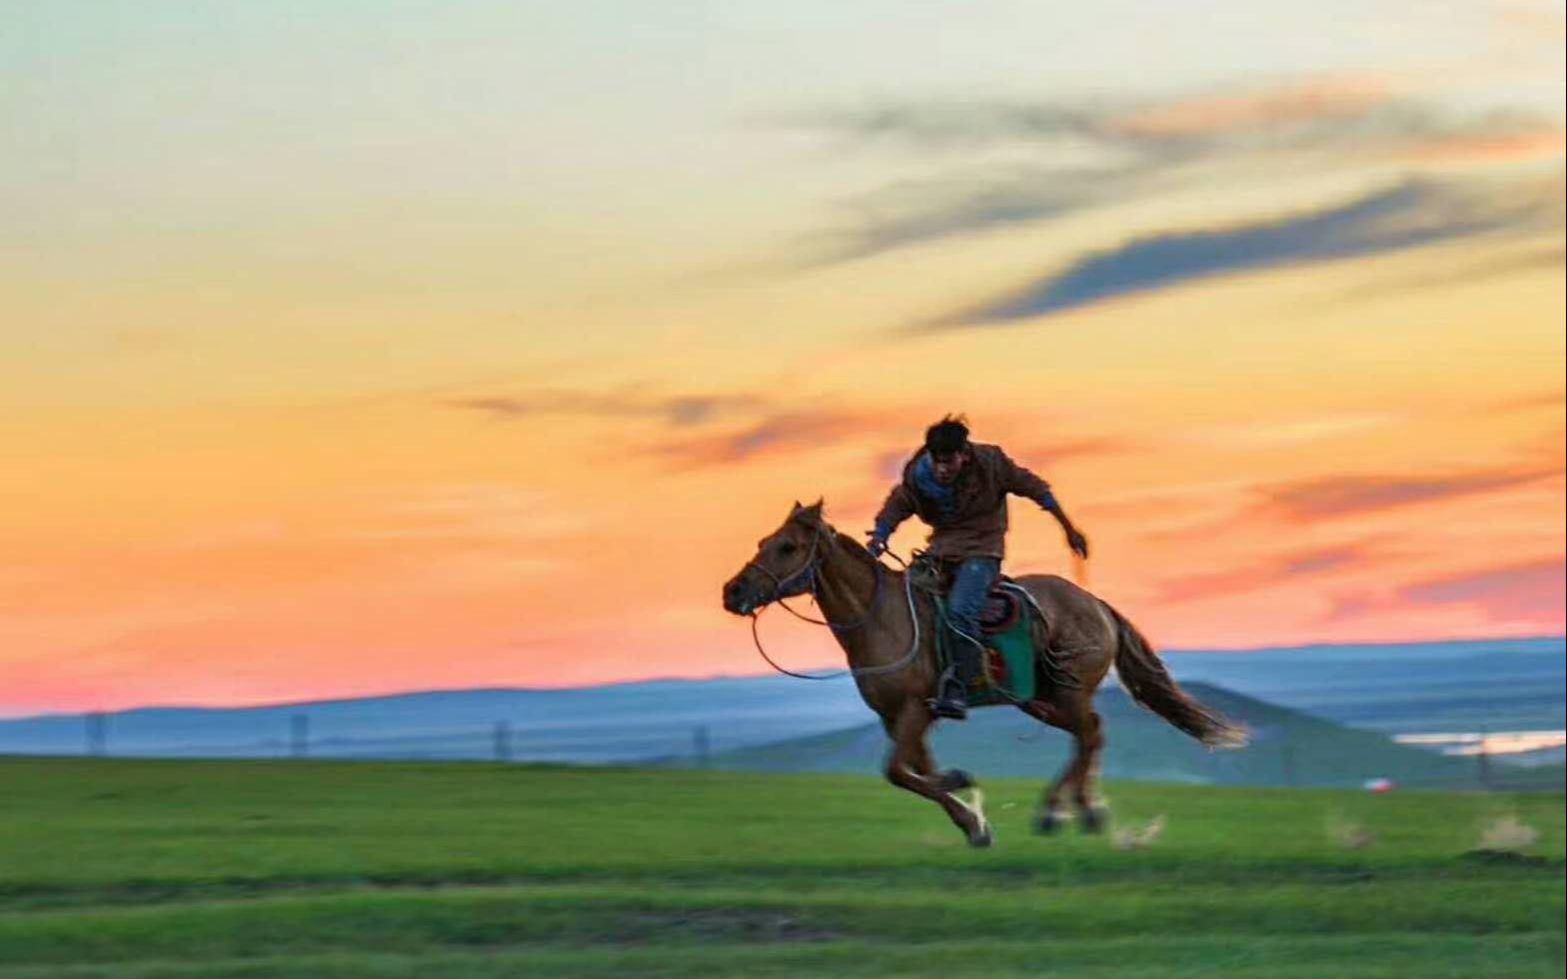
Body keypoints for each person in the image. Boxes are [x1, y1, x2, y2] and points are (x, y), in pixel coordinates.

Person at [867, 415, 1088, 720]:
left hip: (982, 550)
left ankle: (961, 682)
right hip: (940, 550)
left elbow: (1035, 488)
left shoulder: (992, 464)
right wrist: (879, 536)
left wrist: (1068, 528)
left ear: (964, 455)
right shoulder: (919, 476)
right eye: (938, 461)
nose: (943, 469)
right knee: (907, 600)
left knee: (960, 610)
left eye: (949, 461)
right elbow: (896, 506)